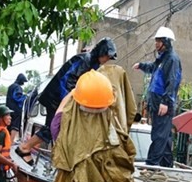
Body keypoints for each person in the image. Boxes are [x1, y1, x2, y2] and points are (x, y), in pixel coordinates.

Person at [15, 37, 118, 165]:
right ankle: (26, 148)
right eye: (107, 56)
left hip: (59, 98)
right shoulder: (84, 60)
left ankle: (30, 149)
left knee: (59, 129)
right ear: (102, 52)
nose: (107, 60)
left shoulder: (91, 63)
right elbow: (67, 81)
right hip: (56, 98)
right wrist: (70, 101)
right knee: (55, 128)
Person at [132, 26, 182, 168]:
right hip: (156, 103)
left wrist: (165, 102)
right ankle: (166, 166)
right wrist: (141, 65)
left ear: (165, 42)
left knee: (159, 135)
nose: (156, 44)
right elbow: (153, 68)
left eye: (158, 41)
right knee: (164, 137)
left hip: (163, 103)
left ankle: (151, 165)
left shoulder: (172, 59)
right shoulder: (162, 59)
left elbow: (172, 81)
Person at [6, 73, 28, 143]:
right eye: (23, 82)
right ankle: (11, 142)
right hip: (16, 109)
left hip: (9, 109)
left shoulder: (10, 86)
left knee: (9, 125)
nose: (23, 83)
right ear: (21, 80)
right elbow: (17, 98)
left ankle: (7, 141)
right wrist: (26, 96)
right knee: (15, 126)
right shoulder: (18, 87)